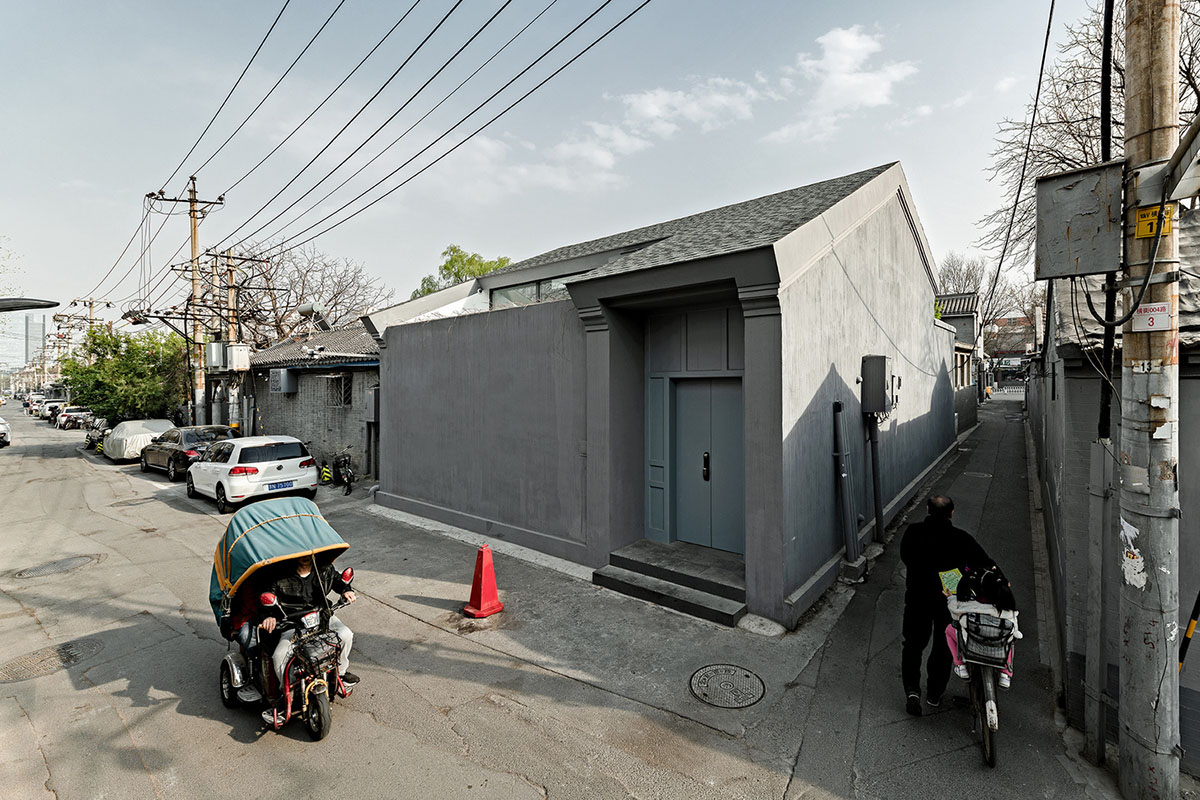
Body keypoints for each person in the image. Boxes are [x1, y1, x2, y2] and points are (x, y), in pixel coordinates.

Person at [899, 495, 998, 716]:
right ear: (952, 513)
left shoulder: (913, 533)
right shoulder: (961, 539)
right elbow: (984, 563)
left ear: (927, 509)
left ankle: (912, 692)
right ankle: (934, 693)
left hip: (917, 598)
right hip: (948, 601)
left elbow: (906, 557)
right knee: (943, 647)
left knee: (913, 644)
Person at [260, 554, 358, 721]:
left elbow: (339, 582)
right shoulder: (279, 576)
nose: (305, 557)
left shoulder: (324, 569)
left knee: (346, 634)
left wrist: (347, 590)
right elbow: (267, 598)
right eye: (301, 554)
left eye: (308, 554)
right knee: (279, 656)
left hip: (323, 619)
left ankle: (341, 673)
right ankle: (288, 694)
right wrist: (269, 616)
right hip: (292, 625)